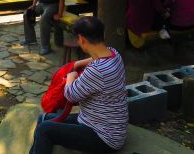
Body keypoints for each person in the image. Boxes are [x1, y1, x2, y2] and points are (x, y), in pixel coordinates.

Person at [29, 16, 128, 154]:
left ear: (81, 39)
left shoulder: (97, 70)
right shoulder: (114, 53)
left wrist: (71, 77)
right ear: (102, 34)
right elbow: (94, 59)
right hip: (98, 123)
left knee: (44, 130)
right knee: (43, 118)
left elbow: (70, 95)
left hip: (103, 136)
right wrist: (79, 64)